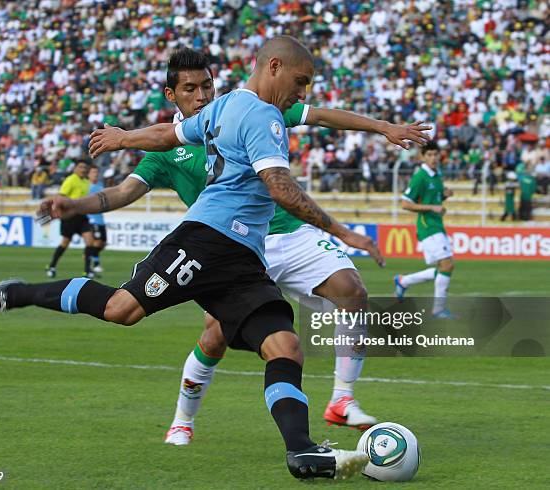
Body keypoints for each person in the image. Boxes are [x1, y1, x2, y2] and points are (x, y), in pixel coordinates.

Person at [0, 36, 371, 481]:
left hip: (245, 257)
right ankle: (12, 293)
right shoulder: (260, 114)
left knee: (284, 347)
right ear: (274, 67)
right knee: (121, 309)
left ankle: (303, 452)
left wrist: (123, 138)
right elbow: (279, 186)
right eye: (301, 81)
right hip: (206, 239)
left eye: (205, 85)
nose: (304, 92)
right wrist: (341, 230)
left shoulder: (226, 106)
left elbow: (169, 133)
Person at [84, 48, 429, 446]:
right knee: (214, 335)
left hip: (287, 230)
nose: (201, 95)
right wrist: (93, 183)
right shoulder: (172, 147)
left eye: (207, 86)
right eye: (191, 89)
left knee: (352, 291)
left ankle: (341, 399)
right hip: (231, 246)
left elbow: (318, 115)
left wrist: (382, 126)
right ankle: (182, 419)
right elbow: (132, 182)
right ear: (172, 95)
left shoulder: (248, 110)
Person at [394, 141, 457, 319]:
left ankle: (403, 281)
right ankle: (438, 310)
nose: (433, 158)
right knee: (447, 264)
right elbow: (406, 203)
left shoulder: (437, 175)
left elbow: (434, 197)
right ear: (423, 156)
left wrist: (444, 195)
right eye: (429, 155)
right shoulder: (420, 176)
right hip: (427, 226)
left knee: (442, 269)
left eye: (436, 154)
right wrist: (432, 207)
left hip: (437, 225)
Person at [45, 161, 95, 278]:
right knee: (65, 243)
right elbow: (61, 196)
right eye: (80, 167)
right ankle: (52, 266)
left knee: (90, 241)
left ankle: (87, 271)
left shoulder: (86, 182)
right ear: (75, 169)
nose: (83, 169)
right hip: (69, 216)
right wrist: (58, 211)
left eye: (85, 167)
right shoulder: (70, 180)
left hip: (81, 215)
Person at [87, 165, 107, 275]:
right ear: (89, 174)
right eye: (93, 172)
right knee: (97, 241)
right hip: (91, 219)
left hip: (100, 219)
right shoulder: (86, 186)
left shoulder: (100, 185)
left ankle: (89, 255)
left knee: (102, 243)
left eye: (96, 172)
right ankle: (95, 264)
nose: (95, 174)